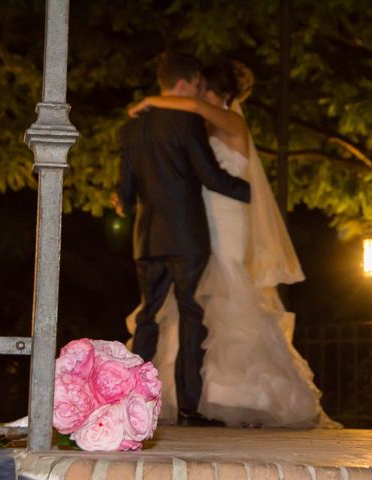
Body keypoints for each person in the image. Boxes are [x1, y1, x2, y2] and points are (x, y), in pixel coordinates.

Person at [126, 59, 341, 428]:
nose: (199, 96)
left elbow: (192, 105)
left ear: (222, 95)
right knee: (191, 303)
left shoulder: (233, 123)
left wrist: (151, 101)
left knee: (228, 295)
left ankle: (237, 396)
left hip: (227, 220)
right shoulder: (196, 130)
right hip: (197, 222)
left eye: (206, 90)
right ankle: (185, 394)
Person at [116, 52, 251, 427]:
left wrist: (123, 203)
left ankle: (133, 404)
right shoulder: (187, 121)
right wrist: (248, 193)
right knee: (192, 315)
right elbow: (210, 176)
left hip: (146, 238)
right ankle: (189, 409)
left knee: (148, 317)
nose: (199, 90)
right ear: (185, 83)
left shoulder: (130, 129)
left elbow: (125, 193)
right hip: (187, 234)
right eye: (196, 85)